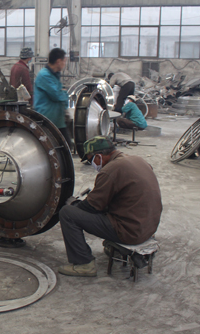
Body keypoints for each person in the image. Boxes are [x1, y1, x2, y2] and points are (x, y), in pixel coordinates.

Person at [57, 136, 162, 277]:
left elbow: (93, 206)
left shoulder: (110, 170)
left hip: (131, 232)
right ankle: (115, 247)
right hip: (148, 228)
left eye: (91, 160)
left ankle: (83, 264)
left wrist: (75, 204)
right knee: (108, 206)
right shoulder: (138, 160)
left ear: (99, 156)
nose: (92, 164)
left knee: (67, 213)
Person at [33, 48, 71, 149]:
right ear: (58, 61)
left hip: (57, 120)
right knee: (51, 148)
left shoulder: (54, 75)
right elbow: (56, 95)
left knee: (66, 147)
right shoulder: (44, 75)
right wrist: (64, 93)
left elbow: (60, 95)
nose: (65, 64)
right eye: (64, 61)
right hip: (47, 120)